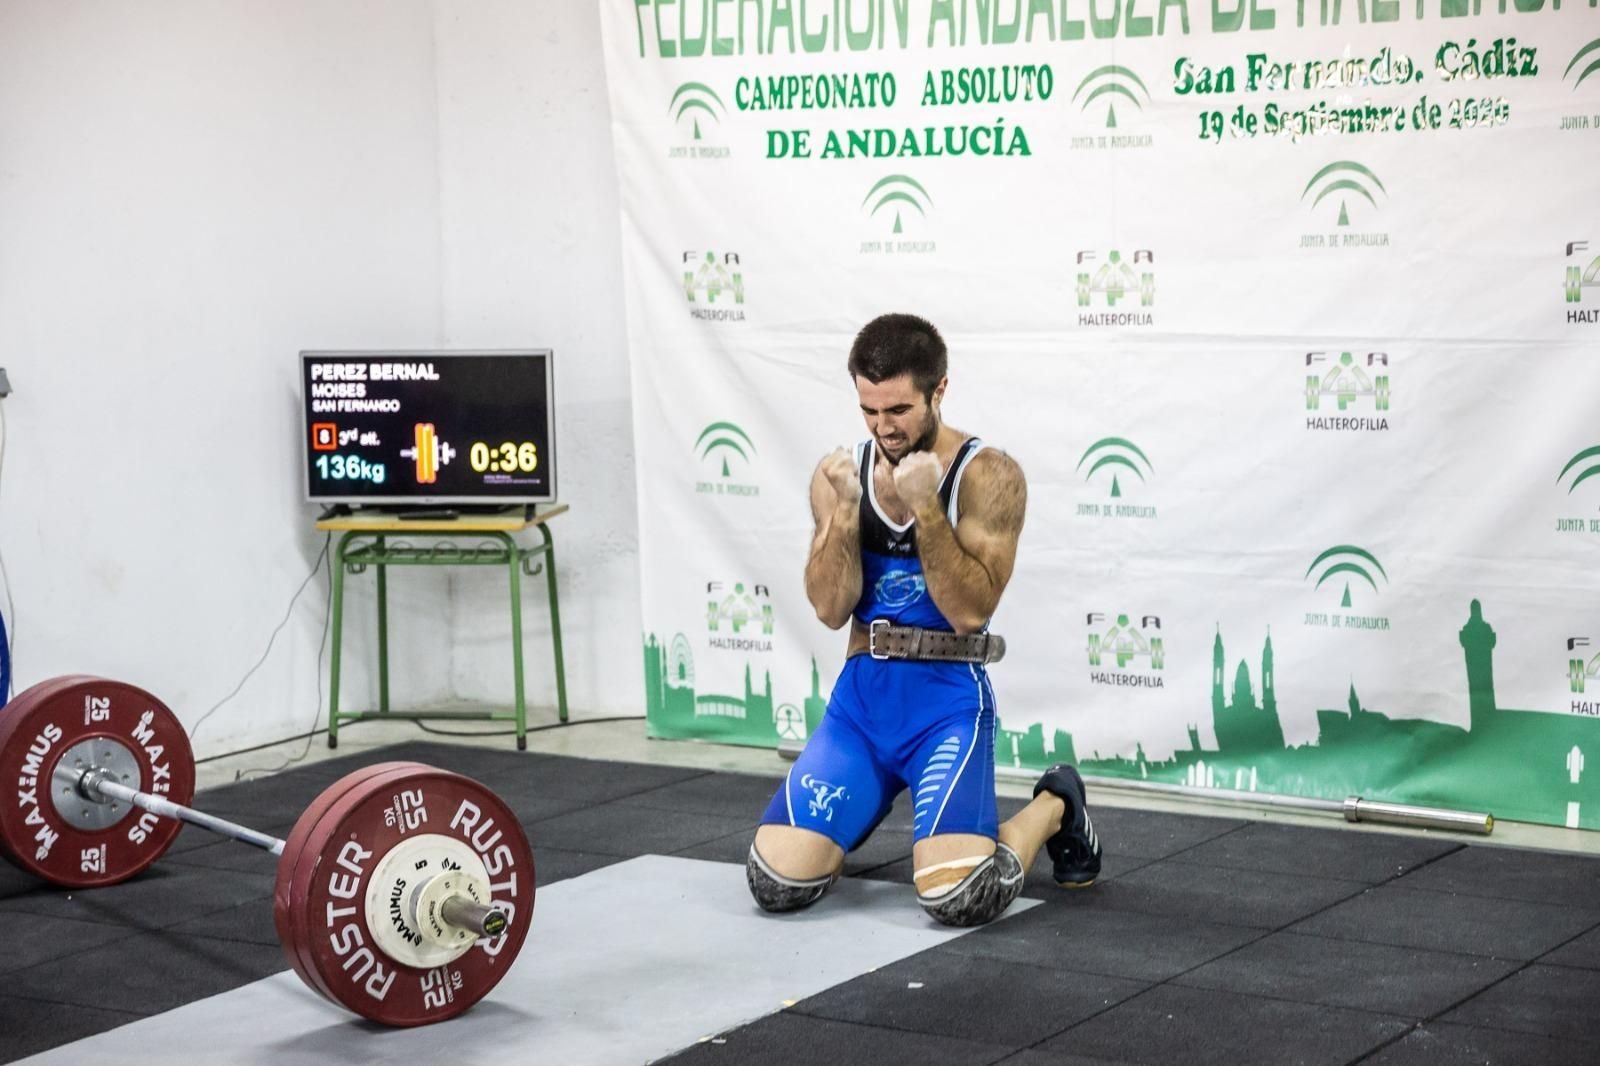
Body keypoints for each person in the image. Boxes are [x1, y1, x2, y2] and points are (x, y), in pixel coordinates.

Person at [746, 312, 1102, 927]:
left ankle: (1054, 805)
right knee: (775, 883)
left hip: (945, 707)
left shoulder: (989, 475)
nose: (883, 428)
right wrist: (843, 516)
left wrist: (925, 508)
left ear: (939, 391)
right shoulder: (839, 476)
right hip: (861, 708)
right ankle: (864, 809)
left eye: (900, 410)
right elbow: (830, 610)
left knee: (959, 898)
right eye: (869, 410)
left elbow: (970, 611)